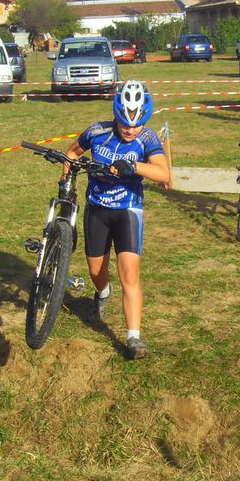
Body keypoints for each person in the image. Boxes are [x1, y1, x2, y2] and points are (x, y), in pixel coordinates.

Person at [64, 81, 170, 359]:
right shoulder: (97, 132)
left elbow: (163, 173)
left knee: (129, 275)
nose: (129, 129)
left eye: (136, 124)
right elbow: (72, 152)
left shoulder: (147, 139)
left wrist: (134, 166)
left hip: (128, 211)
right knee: (96, 272)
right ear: (116, 114)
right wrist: (67, 178)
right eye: (124, 122)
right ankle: (102, 293)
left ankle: (134, 337)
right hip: (96, 209)